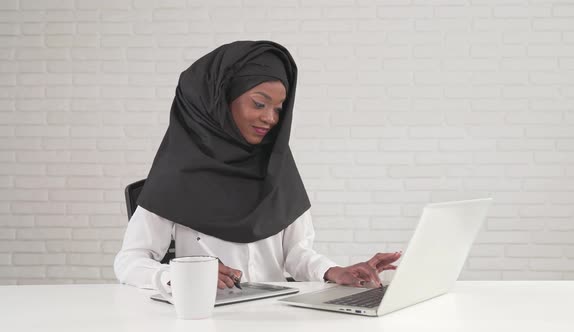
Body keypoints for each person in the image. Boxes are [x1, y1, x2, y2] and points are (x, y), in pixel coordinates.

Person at [114, 40, 401, 290]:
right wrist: (183, 276)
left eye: (278, 108)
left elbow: (296, 254)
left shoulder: (278, 168)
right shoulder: (176, 174)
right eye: (259, 104)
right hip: (207, 315)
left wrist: (333, 271)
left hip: (275, 315)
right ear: (221, 100)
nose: (271, 119)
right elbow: (130, 262)